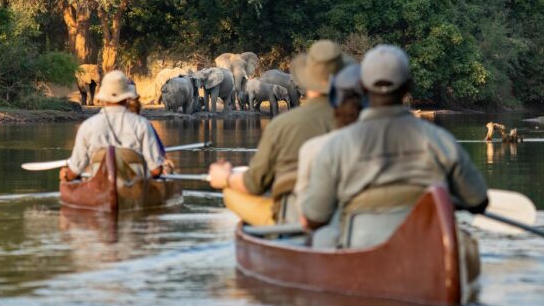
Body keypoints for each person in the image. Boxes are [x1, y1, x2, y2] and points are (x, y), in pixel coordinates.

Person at [301, 45, 488, 249]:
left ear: (362, 87)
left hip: (360, 252)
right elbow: (478, 201)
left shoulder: (336, 146)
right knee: (466, 240)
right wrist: (450, 200)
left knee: (322, 237)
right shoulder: (440, 140)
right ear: (408, 87)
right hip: (426, 253)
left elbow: (314, 218)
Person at [208, 40, 353, 225]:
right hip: (345, 212)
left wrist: (227, 177)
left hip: (293, 214)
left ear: (306, 81)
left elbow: (254, 183)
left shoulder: (281, 125)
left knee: (230, 192)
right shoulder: (356, 122)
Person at [289, 63, 364, 225]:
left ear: (332, 103)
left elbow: (310, 214)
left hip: (338, 233)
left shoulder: (314, 148)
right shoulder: (401, 143)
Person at [59, 70, 166, 182]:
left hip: (98, 190)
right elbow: (156, 170)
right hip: (134, 191)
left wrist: (66, 175)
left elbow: (75, 170)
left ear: (102, 99)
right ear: (126, 98)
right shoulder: (142, 124)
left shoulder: (87, 126)